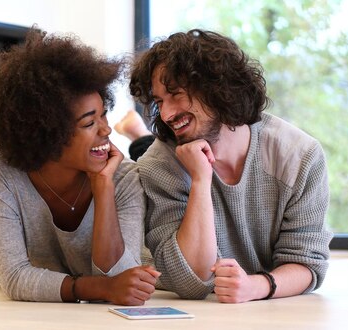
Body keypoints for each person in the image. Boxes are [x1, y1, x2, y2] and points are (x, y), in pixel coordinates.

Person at [128, 29, 333, 303]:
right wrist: (200, 180)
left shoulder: (299, 156)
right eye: (159, 102)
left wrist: (256, 286)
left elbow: (307, 263)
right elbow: (190, 280)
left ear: (218, 89)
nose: (166, 114)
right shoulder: (159, 164)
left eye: (176, 94)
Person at [0, 28, 160, 305]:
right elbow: (15, 278)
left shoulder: (123, 176)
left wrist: (103, 186)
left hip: (58, 270)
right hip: (24, 250)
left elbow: (119, 278)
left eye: (104, 115)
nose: (106, 130)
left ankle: (140, 136)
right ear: (44, 133)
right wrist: (99, 288)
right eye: (89, 123)